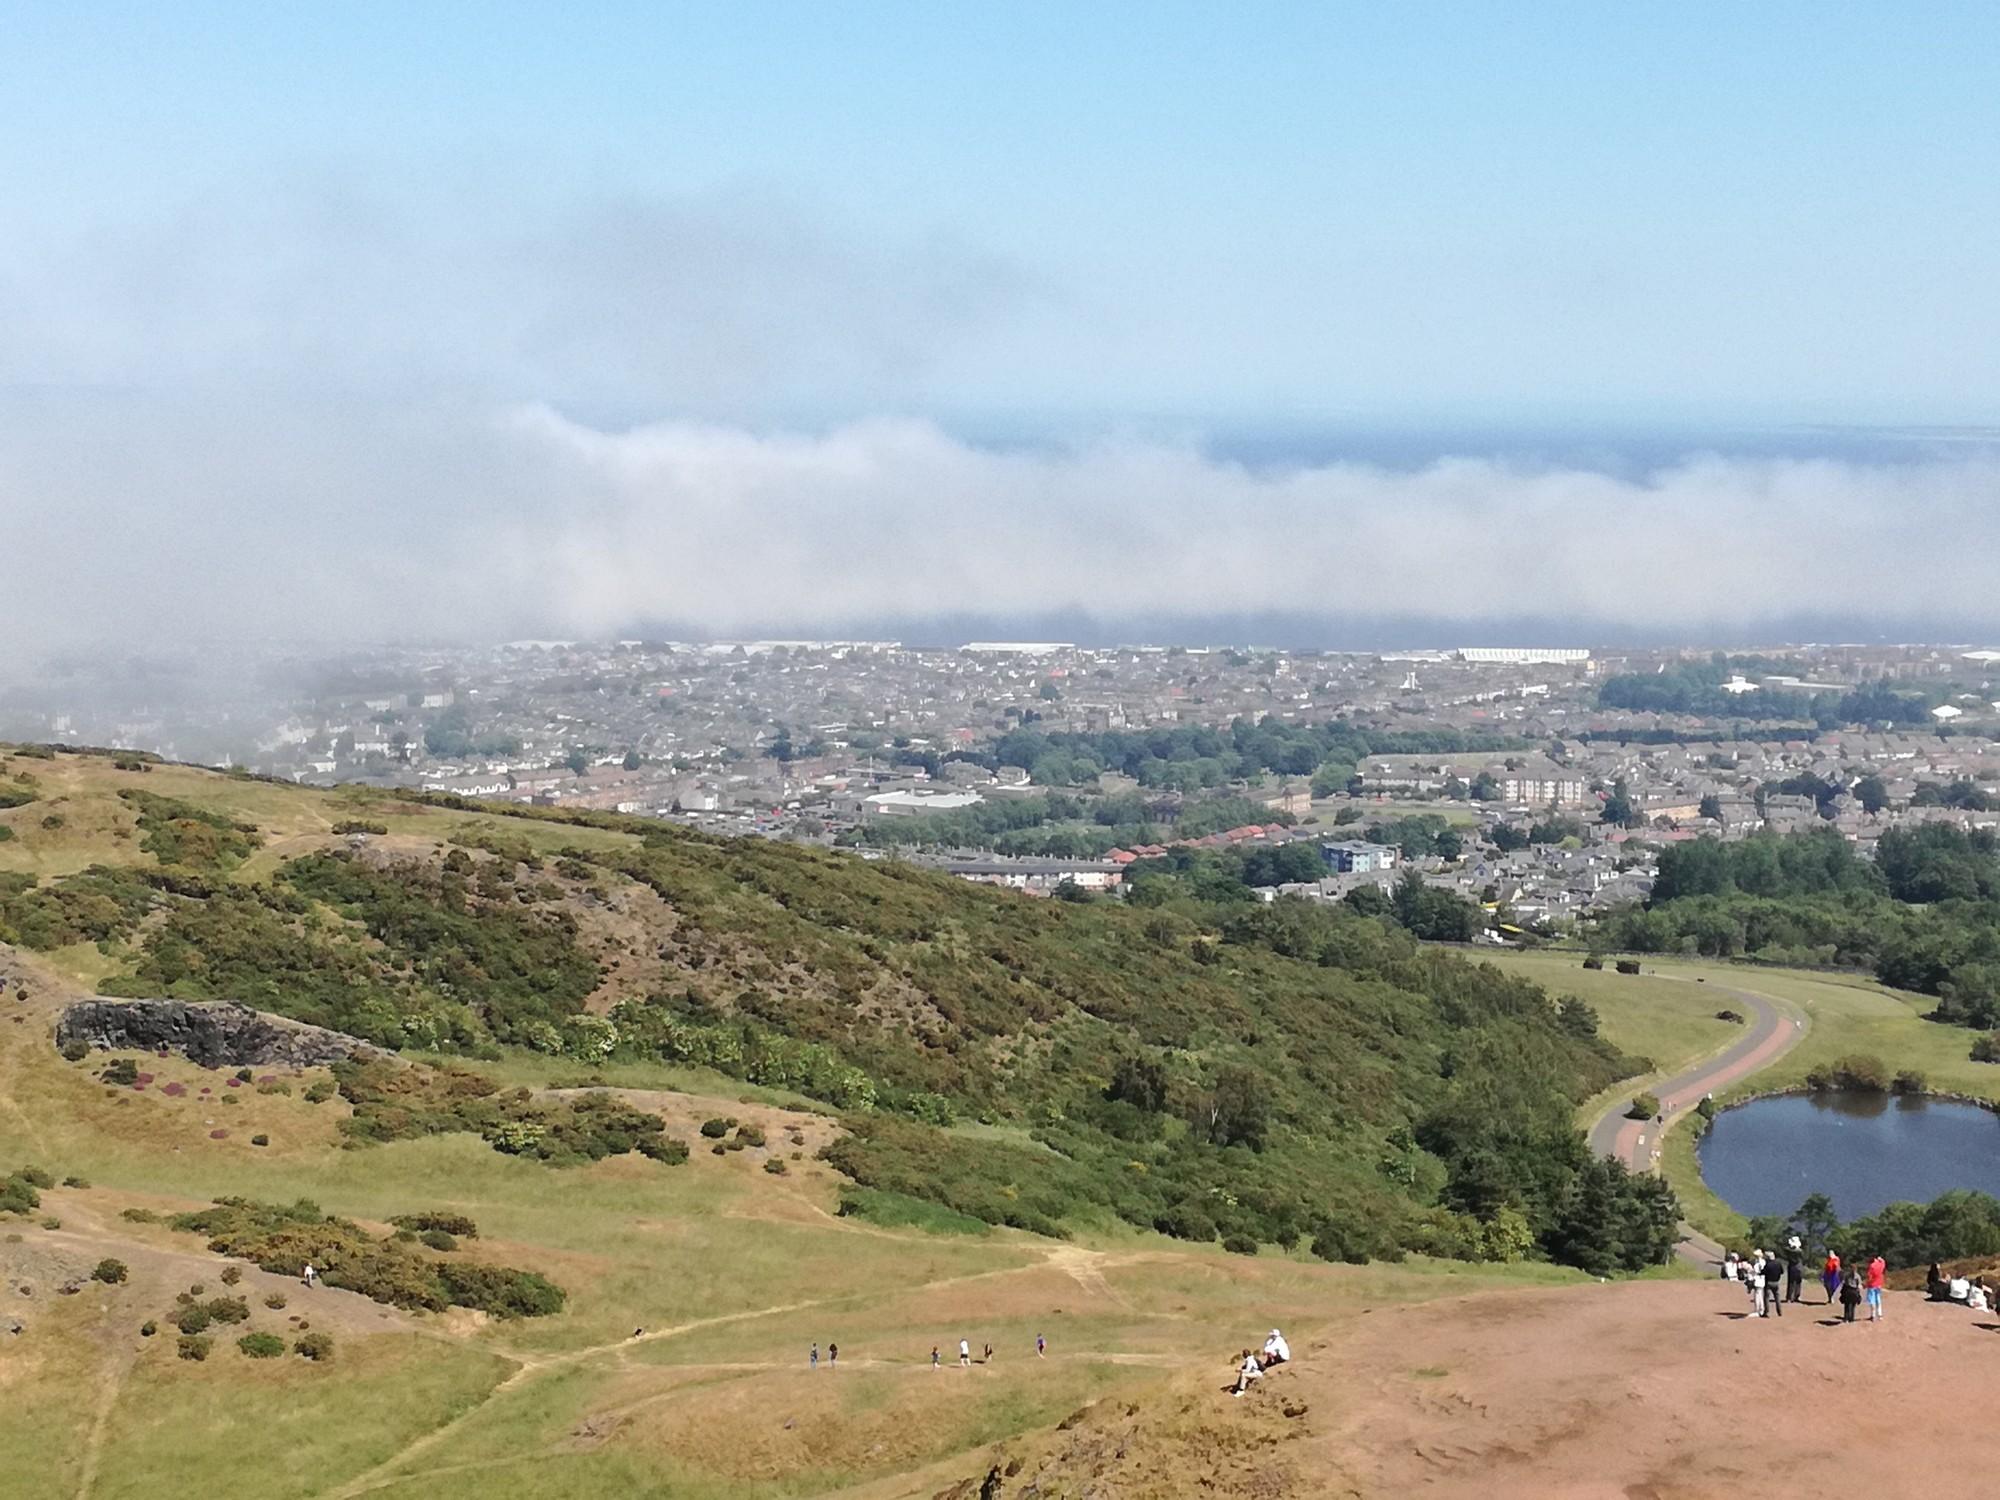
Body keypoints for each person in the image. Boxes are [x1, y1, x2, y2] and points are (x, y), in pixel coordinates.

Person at [1762, 1251, 1785, 1317]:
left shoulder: (1768, 1264)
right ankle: (1779, 1311)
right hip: (1776, 1282)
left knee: (1766, 1298)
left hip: (1768, 1282)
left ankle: (1766, 1312)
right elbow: (1782, 1272)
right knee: (1777, 1297)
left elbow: (1763, 1272)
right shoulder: (1778, 1263)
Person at [1867, 1255, 1887, 1321]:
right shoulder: (1880, 1264)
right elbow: (1884, 1262)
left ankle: (1873, 1315)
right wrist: (1880, 1259)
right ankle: (1880, 1314)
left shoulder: (1872, 1266)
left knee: (1872, 1300)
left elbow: (1869, 1277)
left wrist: (1866, 1284)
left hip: (1872, 1285)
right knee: (1878, 1299)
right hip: (1879, 1284)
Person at [1785, 1237, 1805, 1304]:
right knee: (1798, 1282)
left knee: (1791, 1283)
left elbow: (1786, 1249)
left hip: (1792, 1267)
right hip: (1799, 1267)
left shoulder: (1789, 1251)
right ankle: (1797, 1296)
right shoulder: (1800, 1251)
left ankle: (1789, 1297)